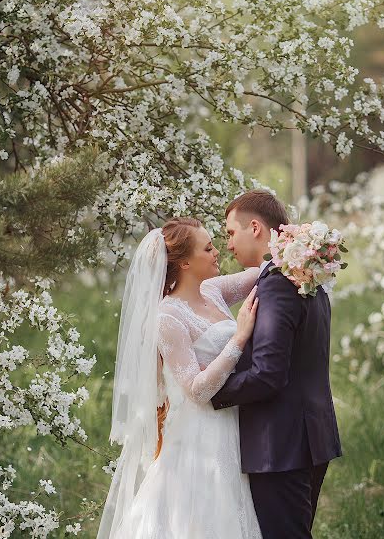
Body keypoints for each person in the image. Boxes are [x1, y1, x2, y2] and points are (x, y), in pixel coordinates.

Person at [97, 217, 263, 539]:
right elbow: (196, 390)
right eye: (208, 247)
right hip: (200, 437)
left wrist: (298, 248)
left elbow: (260, 275)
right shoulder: (167, 317)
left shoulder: (213, 291)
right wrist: (239, 338)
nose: (218, 252)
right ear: (185, 262)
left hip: (234, 423)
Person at [211, 189, 342, 539]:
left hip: (280, 447)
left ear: (254, 227)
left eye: (230, 233)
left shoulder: (278, 285)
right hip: (311, 436)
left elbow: (268, 374)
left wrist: (211, 393)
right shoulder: (308, 279)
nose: (227, 245)